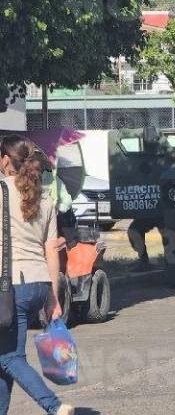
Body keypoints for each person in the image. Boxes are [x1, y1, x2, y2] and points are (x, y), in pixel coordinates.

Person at [0, 135, 75, 415]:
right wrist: (52, 297)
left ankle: (54, 406)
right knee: (6, 356)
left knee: (9, 357)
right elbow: (52, 250)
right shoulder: (44, 197)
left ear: (6, 160)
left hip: (10, 287)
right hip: (39, 285)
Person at [128, 134, 175, 273]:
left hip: (164, 207)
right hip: (149, 205)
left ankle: (171, 263)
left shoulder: (166, 158)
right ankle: (144, 261)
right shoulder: (141, 160)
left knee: (168, 235)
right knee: (134, 230)